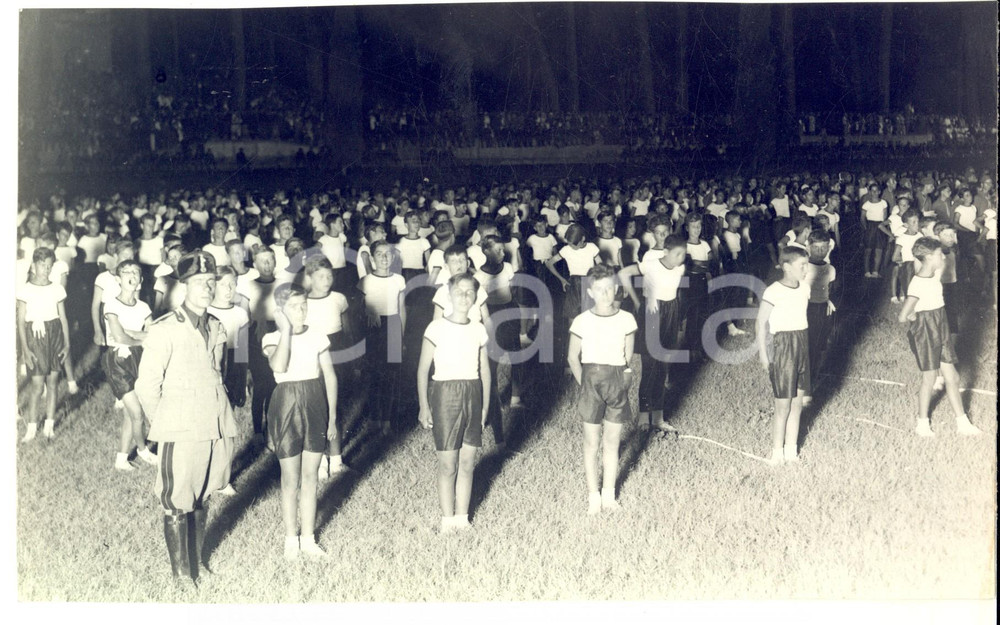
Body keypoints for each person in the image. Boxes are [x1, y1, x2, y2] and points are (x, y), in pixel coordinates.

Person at [135, 251, 239, 587]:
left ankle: (197, 563)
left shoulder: (215, 326)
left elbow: (217, 373)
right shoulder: (166, 329)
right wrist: (165, 423)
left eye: (211, 283)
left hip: (213, 423)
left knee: (203, 493)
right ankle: (181, 574)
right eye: (199, 283)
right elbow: (146, 386)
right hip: (180, 427)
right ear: (184, 287)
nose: (206, 289)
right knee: (178, 498)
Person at [263, 283, 338, 559]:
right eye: (294, 306)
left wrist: (332, 418)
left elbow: (329, 376)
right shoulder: (272, 338)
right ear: (280, 310)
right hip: (286, 404)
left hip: (314, 402)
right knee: (290, 478)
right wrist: (285, 331)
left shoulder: (318, 336)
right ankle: (290, 540)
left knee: (310, 476)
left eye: (304, 305)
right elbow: (279, 366)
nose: (301, 311)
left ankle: (308, 538)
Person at [416, 273, 491, 534]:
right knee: (448, 464)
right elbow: (423, 369)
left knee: (468, 462)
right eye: (459, 291)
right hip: (445, 393)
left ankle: (462, 517)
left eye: (470, 292)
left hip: (472, 392)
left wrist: (483, 408)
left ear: (475, 297)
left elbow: (485, 370)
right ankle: (447, 520)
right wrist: (424, 406)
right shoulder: (436, 328)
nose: (464, 296)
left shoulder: (478, 328)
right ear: (449, 294)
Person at [567, 263, 637, 515]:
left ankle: (609, 495)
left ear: (616, 289)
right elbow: (573, 357)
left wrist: (623, 379)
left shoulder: (626, 319)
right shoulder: (582, 320)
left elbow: (627, 358)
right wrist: (584, 384)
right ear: (590, 292)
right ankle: (593, 496)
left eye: (609, 289)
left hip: (616, 381)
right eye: (599, 289)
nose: (605, 294)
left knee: (612, 441)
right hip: (591, 382)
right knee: (591, 442)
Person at [897, 238, 982, 438]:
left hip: (940, 327)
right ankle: (922, 423)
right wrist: (918, 317)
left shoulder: (934, 276)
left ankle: (962, 423)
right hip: (926, 331)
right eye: (938, 254)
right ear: (928, 257)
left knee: (952, 377)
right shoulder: (917, 284)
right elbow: (903, 316)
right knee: (930, 378)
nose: (942, 256)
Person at [618, 234, 686, 432]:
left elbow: (673, 294)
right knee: (649, 367)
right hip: (652, 315)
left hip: (670, 315)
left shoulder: (680, 268)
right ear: (665, 252)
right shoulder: (651, 264)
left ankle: (658, 417)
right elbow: (623, 273)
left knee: (662, 367)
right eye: (677, 254)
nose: (681, 258)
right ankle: (643, 417)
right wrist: (638, 301)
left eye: (683, 254)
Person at [756, 246, 811, 465]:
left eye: (807, 264)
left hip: (802, 343)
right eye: (802, 265)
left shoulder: (804, 288)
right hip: (783, 346)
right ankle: (776, 453)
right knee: (783, 405)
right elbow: (760, 323)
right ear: (787, 267)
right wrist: (763, 353)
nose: (806, 269)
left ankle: (791, 450)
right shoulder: (773, 291)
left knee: (797, 403)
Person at [103, 260, 158, 470]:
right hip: (118, 360)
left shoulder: (143, 307)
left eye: (136, 272)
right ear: (118, 279)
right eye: (126, 272)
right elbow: (119, 336)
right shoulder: (111, 304)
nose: (131, 275)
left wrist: (133, 334)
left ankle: (121, 459)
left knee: (130, 413)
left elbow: (153, 332)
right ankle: (143, 450)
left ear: (141, 281)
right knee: (137, 413)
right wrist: (138, 337)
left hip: (140, 358)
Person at [302, 255, 351, 478]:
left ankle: (336, 459)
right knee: (315, 408)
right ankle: (319, 459)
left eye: (329, 275)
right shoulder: (303, 302)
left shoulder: (339, 298)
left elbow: (347, 331)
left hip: (337, 352)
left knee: (335, 406)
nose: (326, 280)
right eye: (320, 276)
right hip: (313, 354)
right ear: (309, 278)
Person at [16, 248, 71, 442]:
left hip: (54, 334)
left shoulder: (57, 288)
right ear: (33, 266)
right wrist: (26, 349)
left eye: (49, 266)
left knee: (53, 382)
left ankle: (49, 426)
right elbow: (21, 322)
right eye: (42, 265)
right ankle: (31, 429)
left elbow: (63, 318)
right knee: (37, 385)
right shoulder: (25, 289)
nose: (45, 269)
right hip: (35, 336)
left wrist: (66, 345)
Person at [359, 240, 407, 434]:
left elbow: (402, 309)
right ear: (372, 258)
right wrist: (368, 311)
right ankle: (374, 417)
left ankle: (387, 418)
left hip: (393, 325)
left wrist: (401, 338)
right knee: (374, 374)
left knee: (391, 375)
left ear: (393, 257)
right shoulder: (366, 281)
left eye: (388, 254)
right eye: (379, 254)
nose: (384, 258)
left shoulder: (399, 280)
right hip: (373, 329)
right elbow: (358, 310)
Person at [802, 230, 837, 402]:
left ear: (829, 248)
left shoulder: (830, 269)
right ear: (808, 247)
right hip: (804, 310)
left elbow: (831, 288)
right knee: (805, 347)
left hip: (822, 311)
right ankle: (802, 386)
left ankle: (809, 385)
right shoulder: (803, 267)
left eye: (824, 248)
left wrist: (829, 301)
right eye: (815, 247)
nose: (820, 251)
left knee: (817, 348)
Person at [890, 210, 921, 304]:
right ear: (906, 225)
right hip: (908, 267)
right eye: (913, 222)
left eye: (918, 221)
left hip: (919, 265)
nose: (917, 224)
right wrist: (905, 261)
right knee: (909, 290)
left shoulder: (920, 235)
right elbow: (894, 257)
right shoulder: (902, 238)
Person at [862, 184, 889, 278]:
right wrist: (866, 229)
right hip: (870, 226)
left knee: (879, 250)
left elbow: (885, 217)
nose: (874, 193)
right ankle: (867, 271)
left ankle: (875, 271)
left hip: (880, 226)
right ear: (869, 192)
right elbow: (862, 218)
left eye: (876, 190)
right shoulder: (866, 204)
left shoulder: (883, 203)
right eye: (872, 191)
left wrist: (883, 227)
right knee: (868, 250)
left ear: (879, 192)